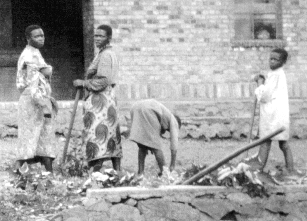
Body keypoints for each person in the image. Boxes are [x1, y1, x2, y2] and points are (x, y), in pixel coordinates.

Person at [73, 24, 122, 171]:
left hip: (101, 100)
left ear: (109, 38)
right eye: (96, 35)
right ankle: (116, 171)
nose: (97, 38)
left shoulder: (106, 55)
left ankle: (96, 169)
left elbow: (103, 81)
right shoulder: (104, 53)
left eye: (101, 36)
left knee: (98, 134)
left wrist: (83, 83)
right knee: (110, 133)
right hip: (107, 98)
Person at [15, 25, 58, 173]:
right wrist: (45, 105)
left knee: (43, 136)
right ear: (28, 39)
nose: (41, 38)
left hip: (38, 100)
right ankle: (19, 171)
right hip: (33, 102)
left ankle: (48, 173)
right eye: (37, 36)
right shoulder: (29, 56)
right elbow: (34, 85)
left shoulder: (36, 52)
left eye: (42, 35)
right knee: (30, 138)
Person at [252, 48, 299, 175]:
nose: (272, 62)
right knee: (283, 144)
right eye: (270, 59)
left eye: (275, 60)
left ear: (283, 62)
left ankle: (259, 169)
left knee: (265, 142)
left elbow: (265, 96)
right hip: (279, 115)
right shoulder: (279, 73)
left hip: (272, 116)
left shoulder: (275, 75)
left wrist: (260, 83)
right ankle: (290, 169)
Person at [129, 99, 181, 176]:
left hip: (135, 107)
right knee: (157, 147)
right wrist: (172, 165)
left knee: (142, 145)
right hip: (148, 109)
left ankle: (140, 172)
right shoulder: (174, 121)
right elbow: (174, 143)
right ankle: (165, 173)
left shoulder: (164, 116)